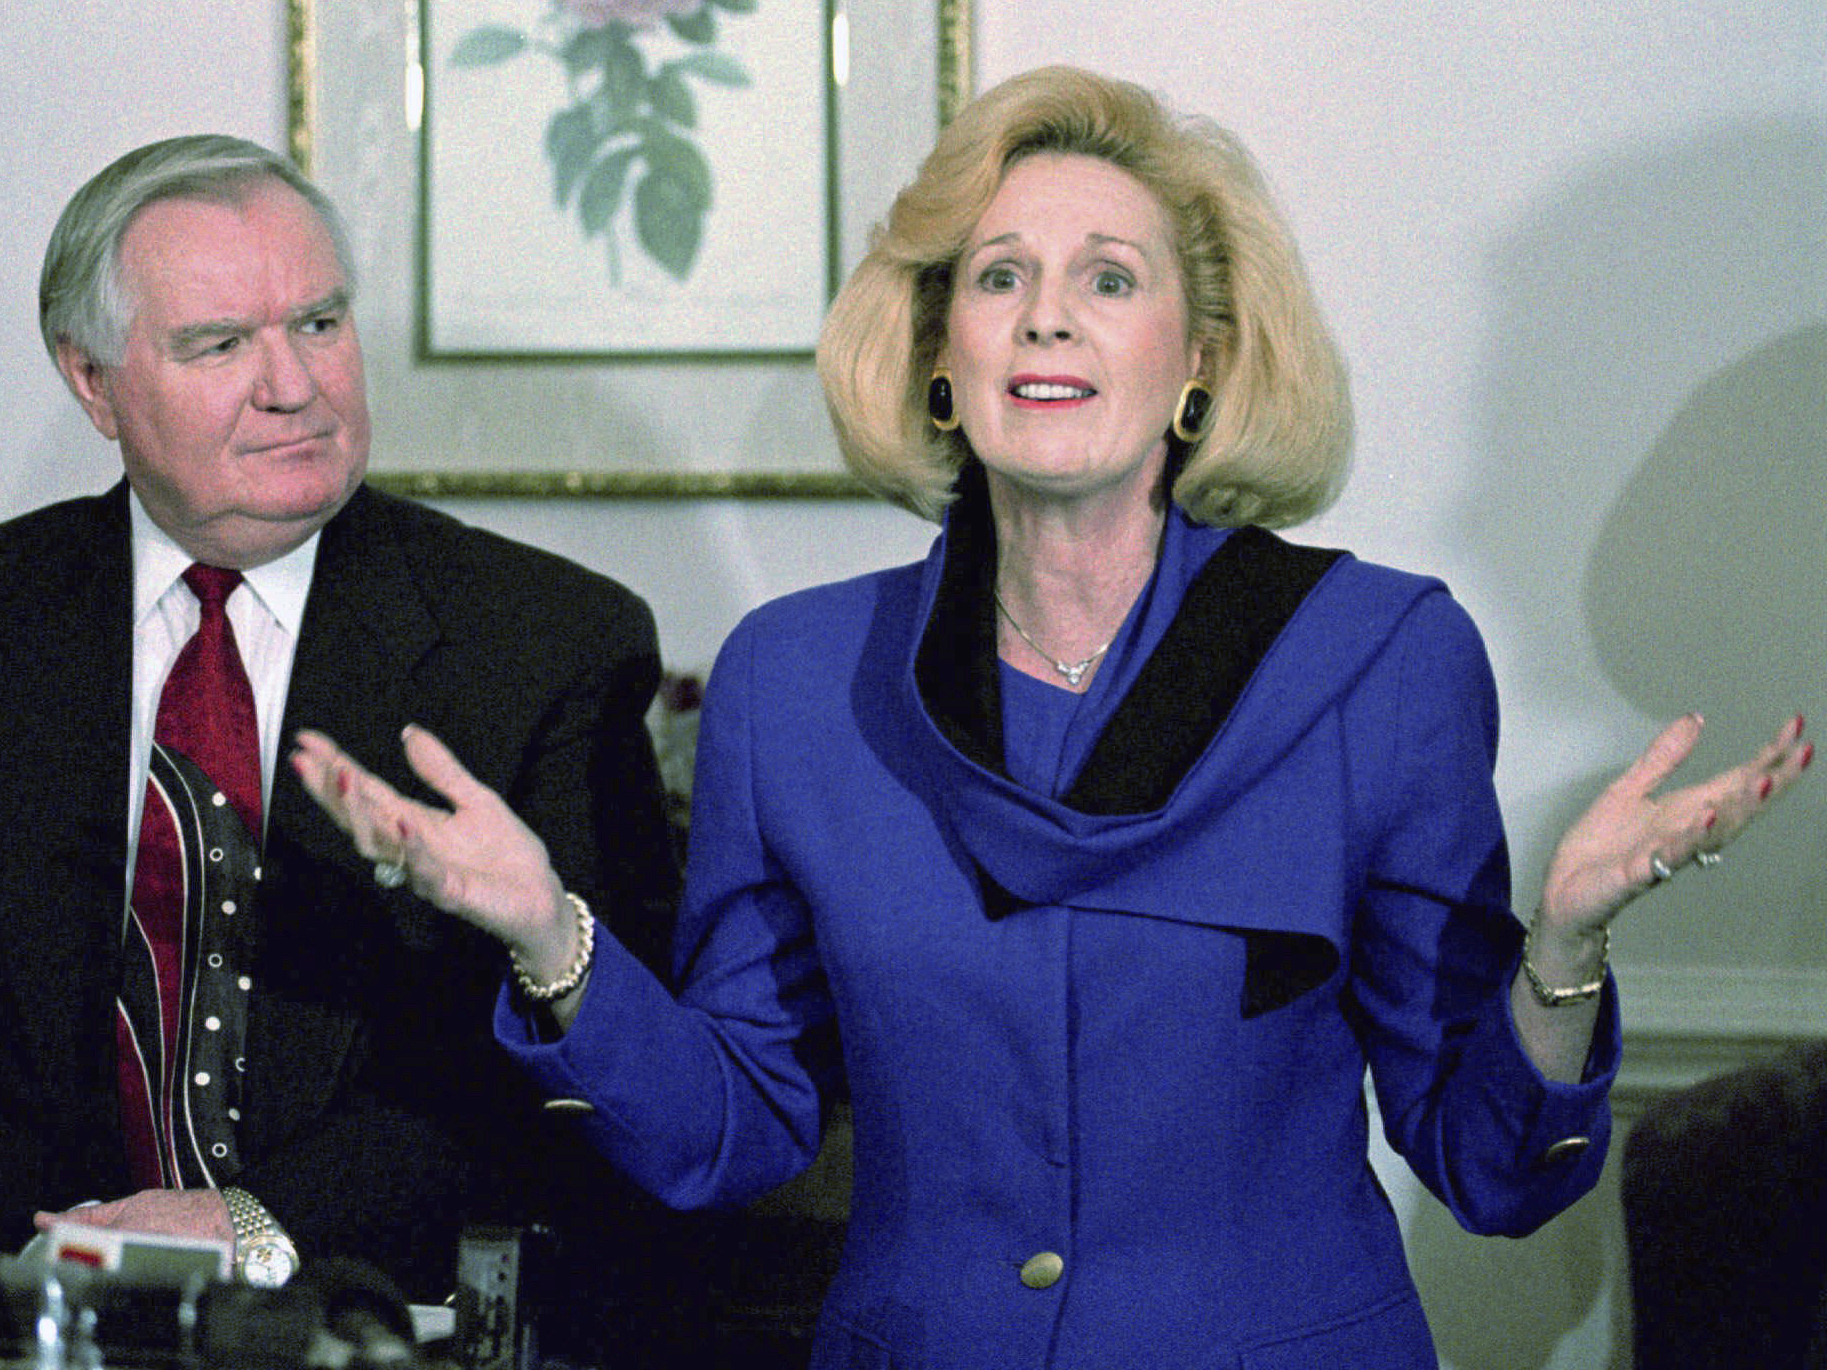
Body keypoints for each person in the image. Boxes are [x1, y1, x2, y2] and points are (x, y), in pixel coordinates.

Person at [291, 68, 1814, 1367]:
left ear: (1198, 361)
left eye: (1108, 277)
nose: (1046, 320)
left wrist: (1561, 949)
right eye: (998, 274)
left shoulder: (1376, 656)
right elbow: (731, 1135)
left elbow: (1493, 1169)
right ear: (941, 354)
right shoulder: (795, 679)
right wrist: (545, 932)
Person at [2, 134, 683, 1308]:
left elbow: (573, 1077)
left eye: (318, 323)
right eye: (219, 344)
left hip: (373, 1308)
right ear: (91, 380)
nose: (294, 384)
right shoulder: (18, 613)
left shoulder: (546, 643)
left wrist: (255, 1224)